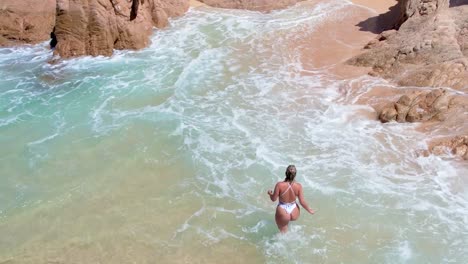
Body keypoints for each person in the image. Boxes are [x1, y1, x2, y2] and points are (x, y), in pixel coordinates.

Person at [267, 165, 315, 233]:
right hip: (294, 210)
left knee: (283, 232)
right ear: (295, 174)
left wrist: (270, 194)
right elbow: (302, 201)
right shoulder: (298, 186)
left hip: (282, 210)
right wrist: (309, 210)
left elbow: (273, 199)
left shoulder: (279, 185)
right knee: (289, 224)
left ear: (286, 173)